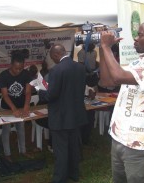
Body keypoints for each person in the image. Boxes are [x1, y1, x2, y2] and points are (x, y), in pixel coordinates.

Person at [99, 21, 144, 183]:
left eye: (140, 34)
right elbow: (106, 81)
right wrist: (102, 49)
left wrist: (106, 48)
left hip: (138, 144)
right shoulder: (137, 63)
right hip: (119, 137)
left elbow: (118, 76)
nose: (136, 38)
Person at [38, 44, 88, 183]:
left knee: (61, 151)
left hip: (60, 117)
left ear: (55, 55)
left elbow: (52, 95)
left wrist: (41, 92)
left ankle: (60, 178)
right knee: (73, 147)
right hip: (76, 115)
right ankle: (74, 174)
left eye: (52, 57)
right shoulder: (80, 67)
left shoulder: (56, 70)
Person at [0, 51, 33, 161]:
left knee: (21, 129)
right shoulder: (3, 75)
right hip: (7, 107)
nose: (18, 71)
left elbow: (28, 92)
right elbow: (5, 95)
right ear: (11, 65)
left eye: (20, 68)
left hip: (21, 105)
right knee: (6, 130)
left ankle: (23, 151)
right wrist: (13, 109)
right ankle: (7, 154)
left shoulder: (26, 74)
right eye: (16, 68)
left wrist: (26, 106)